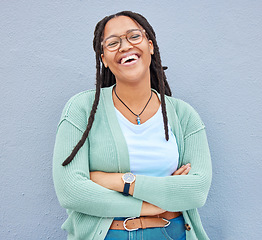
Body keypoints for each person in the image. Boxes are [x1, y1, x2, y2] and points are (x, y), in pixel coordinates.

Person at [53, 10, 212, 240]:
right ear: (104, 60)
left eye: (133, 36)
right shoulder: (81, 109)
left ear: (150, 46)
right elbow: (71, 192)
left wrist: (120, 181)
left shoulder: (183, 114)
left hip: (172, 233)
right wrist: (150, 206)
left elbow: (196, 191)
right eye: (113, 43)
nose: (125, 46)